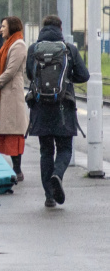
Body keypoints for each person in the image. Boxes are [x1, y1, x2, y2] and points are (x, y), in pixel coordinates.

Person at [26, 15, 88, 207]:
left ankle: (49, 197)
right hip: (63, 108)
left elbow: (30, 74)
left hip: (40, 108)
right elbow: (83, 75)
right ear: (60, 29)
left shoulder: (33, 49)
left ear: (43, 28)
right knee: (65, 149)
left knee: (46, 151)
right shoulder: (69, 49)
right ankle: (57, 175)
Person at [0, 16, 29, 181]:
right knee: (6, 132)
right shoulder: (10, 44)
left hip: (11, 95)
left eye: (4, 26)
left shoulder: (18, 45)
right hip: (5, 94)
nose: (1, 28)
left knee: (13, 132)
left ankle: (17, 170)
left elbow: (11, 71)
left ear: (11, 27)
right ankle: (15, 170)